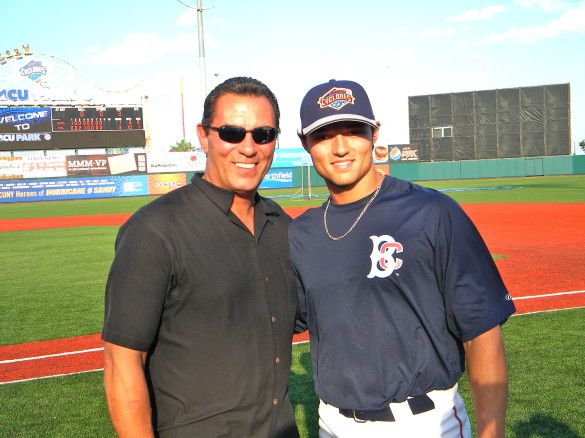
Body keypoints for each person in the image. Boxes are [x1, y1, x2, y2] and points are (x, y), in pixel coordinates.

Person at [289, 79, 515, 438]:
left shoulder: (432, 212)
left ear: (374, 134)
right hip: (333, 423)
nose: (341, 147)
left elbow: (482, 332)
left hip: (424, 422)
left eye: (353, 131)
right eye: (325, 135)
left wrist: (492, 433)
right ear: (305, 143)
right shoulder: (301, 234)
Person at [102, 76, 299, 437]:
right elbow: (122, 361)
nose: (248, 147)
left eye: (263, 134)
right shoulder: (155, 229)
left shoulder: (281, 225)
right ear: (204, 136)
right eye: (232, 133)